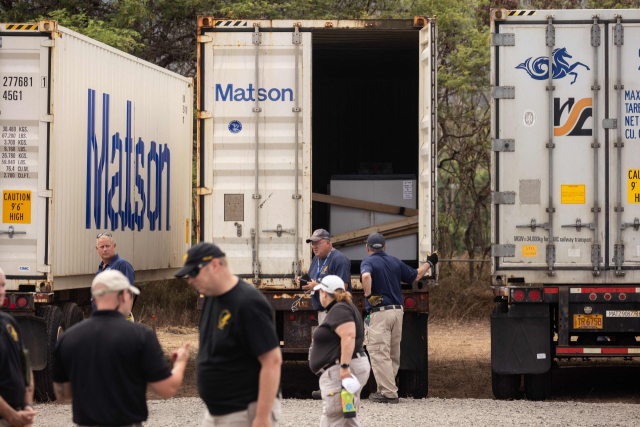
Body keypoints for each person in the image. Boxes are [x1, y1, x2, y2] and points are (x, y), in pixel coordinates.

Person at [52, 270, 189, 427]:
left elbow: (62, 393)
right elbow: (166, 389)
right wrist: (181, 362)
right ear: (124, 295)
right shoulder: (142, 336)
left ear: (95, 298)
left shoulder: (68, 338)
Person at [177, 242, 282, 427]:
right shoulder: (211, 296)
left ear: (215, 265)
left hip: (244, 411)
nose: (190, 279)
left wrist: (262, 417)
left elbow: (272, 361)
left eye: (193, 272)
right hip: (217, 412)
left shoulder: (248, 302)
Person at [361, 233, 437, 404]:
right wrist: (430, 262)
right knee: (393, 353)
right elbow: (417, 275)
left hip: (380, 313)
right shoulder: (395, 261)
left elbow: (366, 277)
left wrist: (369, 295)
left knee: (379, 352)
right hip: (397, 312)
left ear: (367, 248)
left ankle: (388, 393)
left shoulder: (368, 262)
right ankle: (386, 389)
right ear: (385, 247)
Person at [309, 275, 370, 427]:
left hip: (340, 372)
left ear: (324, 293)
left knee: (332, 419)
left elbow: (349, 335)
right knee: (348, 419)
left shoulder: (339, 309)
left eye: (320, 292)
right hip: (348, 368)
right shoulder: (344, 307)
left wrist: (344, 367)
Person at [0, 268, 36, 427]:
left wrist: (27, 406)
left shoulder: (8, 322)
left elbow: (25, 363)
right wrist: (12, 416)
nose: (2, 291)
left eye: (2, 285)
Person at [297, 229, 352, 325]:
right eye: (312, 244)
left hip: (336, 312)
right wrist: (304, 283)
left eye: (317, 243)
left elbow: (343, 288)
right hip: (322, 311)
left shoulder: (340, 259)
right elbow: (312, 282)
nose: (314, 247)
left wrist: (317, 286)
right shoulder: (316, 259)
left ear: (328, 243)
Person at [94, 232, 135, 318]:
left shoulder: (122, 265)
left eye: (108, 246)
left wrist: (126, 316)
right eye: (102, 247)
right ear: (97, 249)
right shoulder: (100, 270)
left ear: (114, 246)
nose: (105, 249)